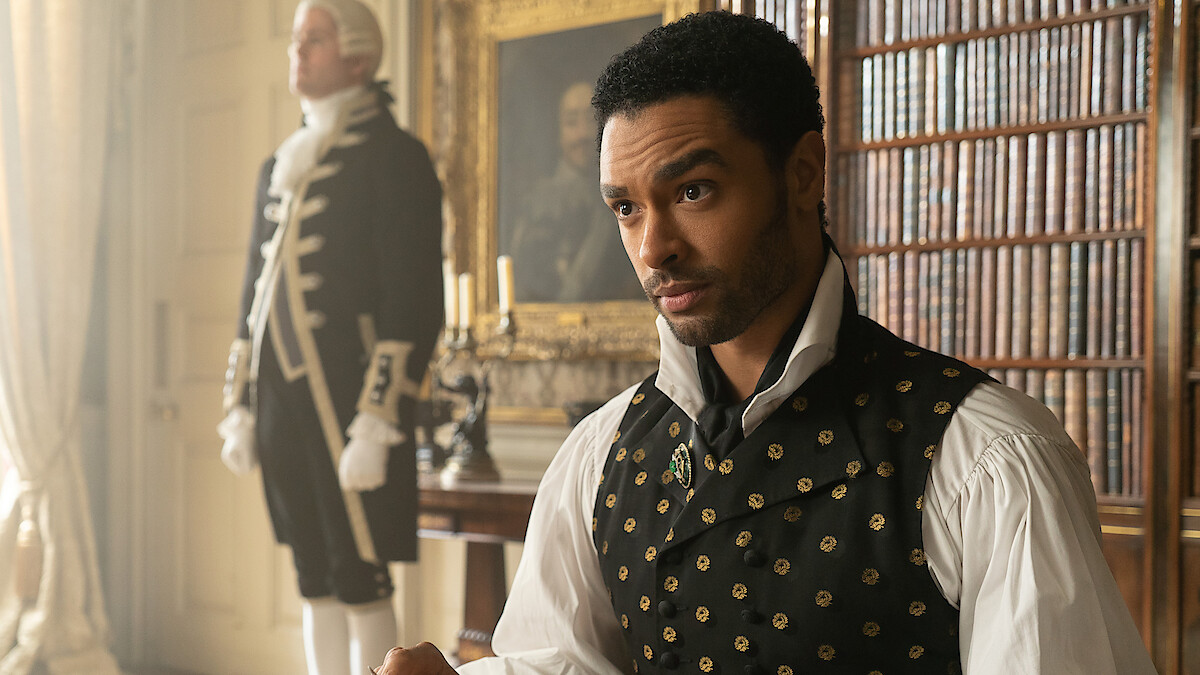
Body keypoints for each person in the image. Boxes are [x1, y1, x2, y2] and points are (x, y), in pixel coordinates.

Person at [377, 11, 1155, 675]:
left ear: (804, 173)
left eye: (693, 191)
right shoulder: (597, 457)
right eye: (626, 208)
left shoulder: (987, 457)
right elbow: (559, 661)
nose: (653, 248)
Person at [215, 1, 443, 674]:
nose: (297, 51)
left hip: (351, 400)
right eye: (296, 38)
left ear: (359, 57)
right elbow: (253, 293)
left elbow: (413, 298)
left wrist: (379, 416)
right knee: (312, 570)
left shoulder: (395, 157)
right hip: (281, 399)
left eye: (313, 39)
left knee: (360, 570)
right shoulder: (278, 164)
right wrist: (240, 404)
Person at [506, 81, 642, 303]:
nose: (582, 134)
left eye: (590, 120)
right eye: (571, 122)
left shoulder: (632, 197)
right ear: (557, 132)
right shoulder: (535, 202)